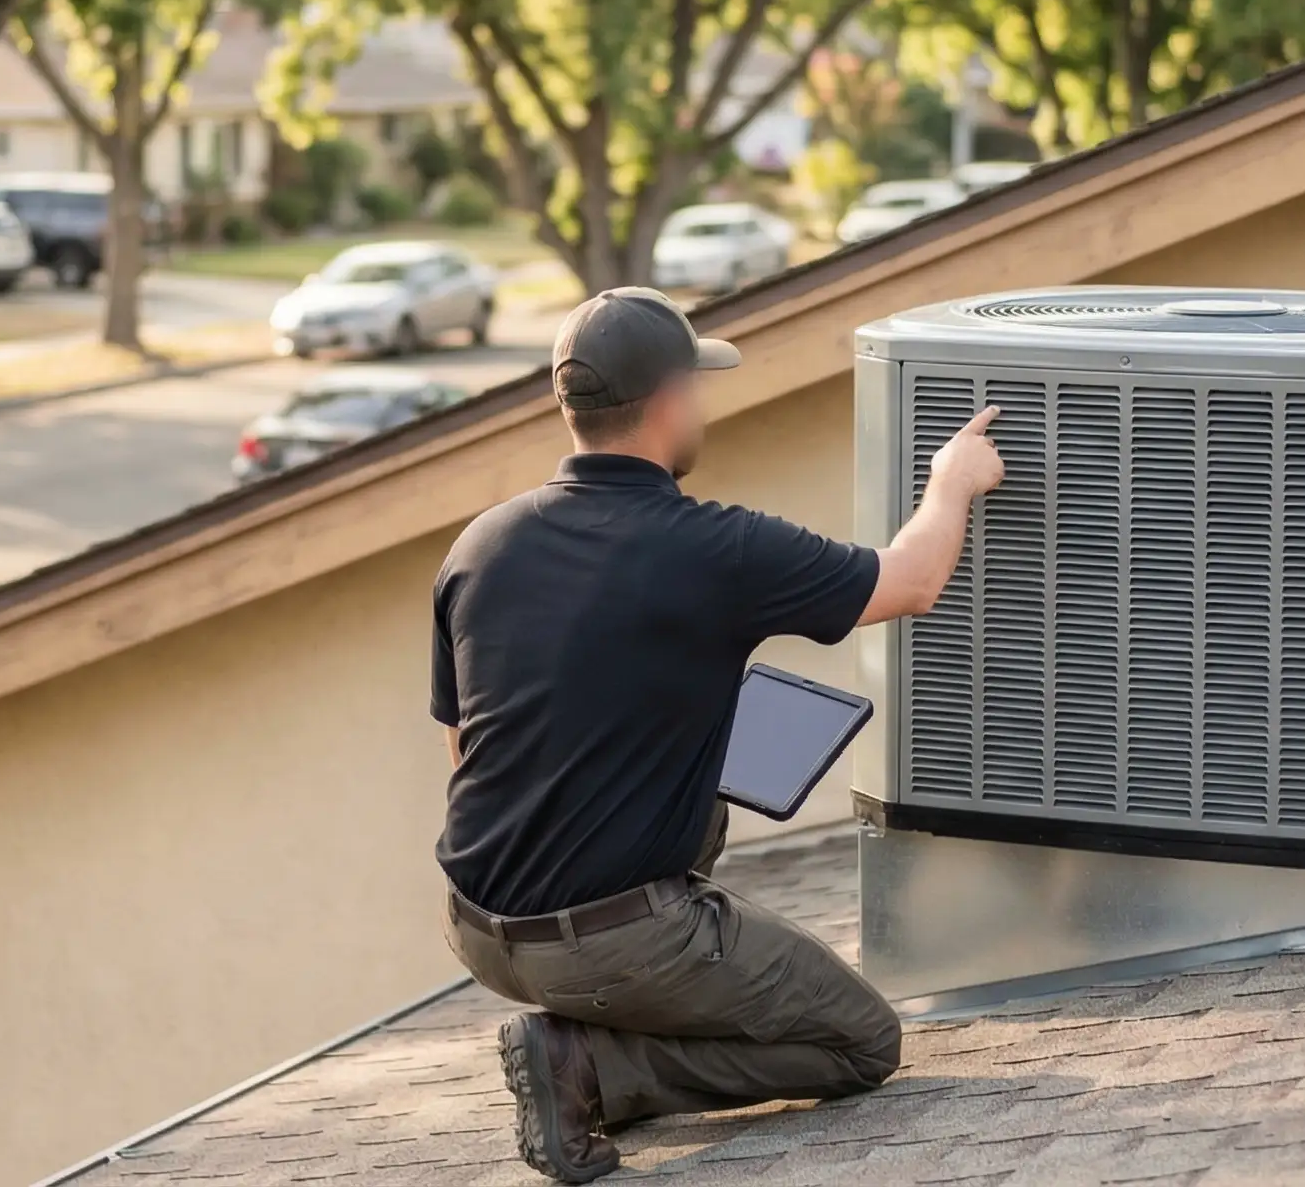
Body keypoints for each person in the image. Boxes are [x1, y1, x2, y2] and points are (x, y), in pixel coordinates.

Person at [430, 287, 1006, 1182]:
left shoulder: (482, 544)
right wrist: (952, 480)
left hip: (478, 931)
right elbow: (912, 581)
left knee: (697, 799)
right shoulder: (712, 547)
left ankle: (590, 1026)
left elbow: (466, 751)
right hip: (607, 940)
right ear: (668, 403)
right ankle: (591, 1065)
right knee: (860, 1042)